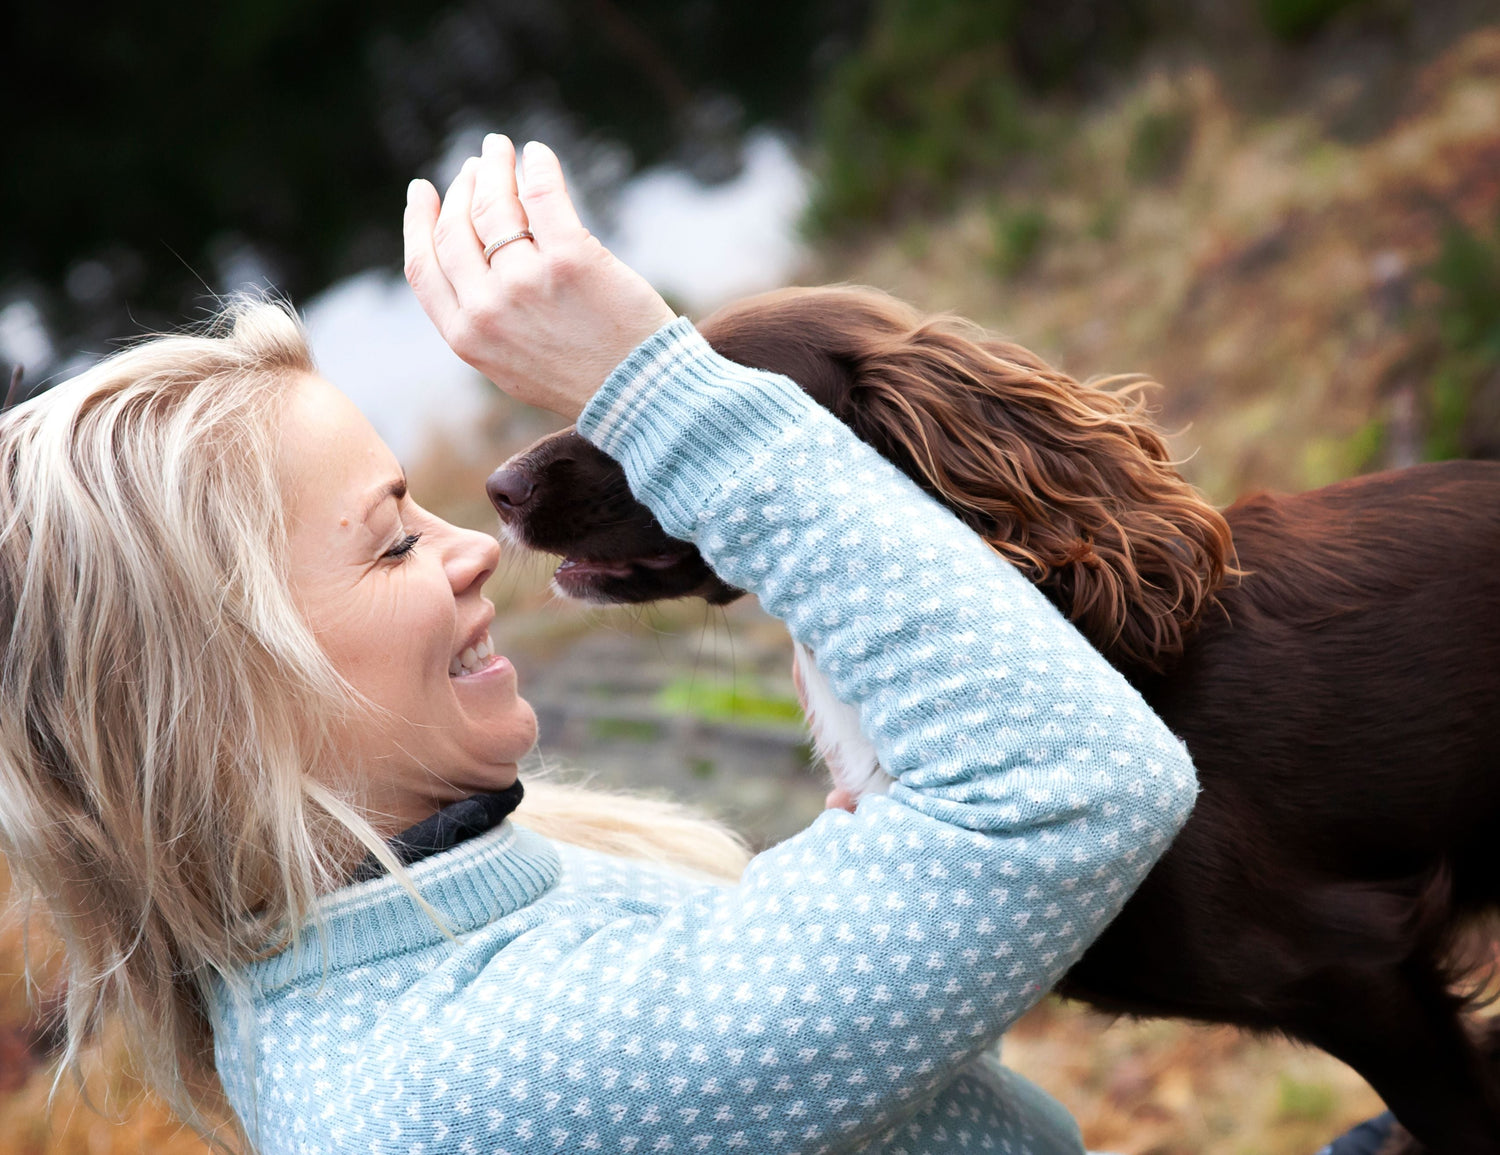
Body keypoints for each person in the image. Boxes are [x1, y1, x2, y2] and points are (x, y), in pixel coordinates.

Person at [0, 134, 1199, 1154]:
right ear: (219, 710)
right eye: (393, 544)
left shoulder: (434, 925)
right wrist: (653, 386)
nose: (473, 549)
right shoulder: (467, 1091)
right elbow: (1073, 789)